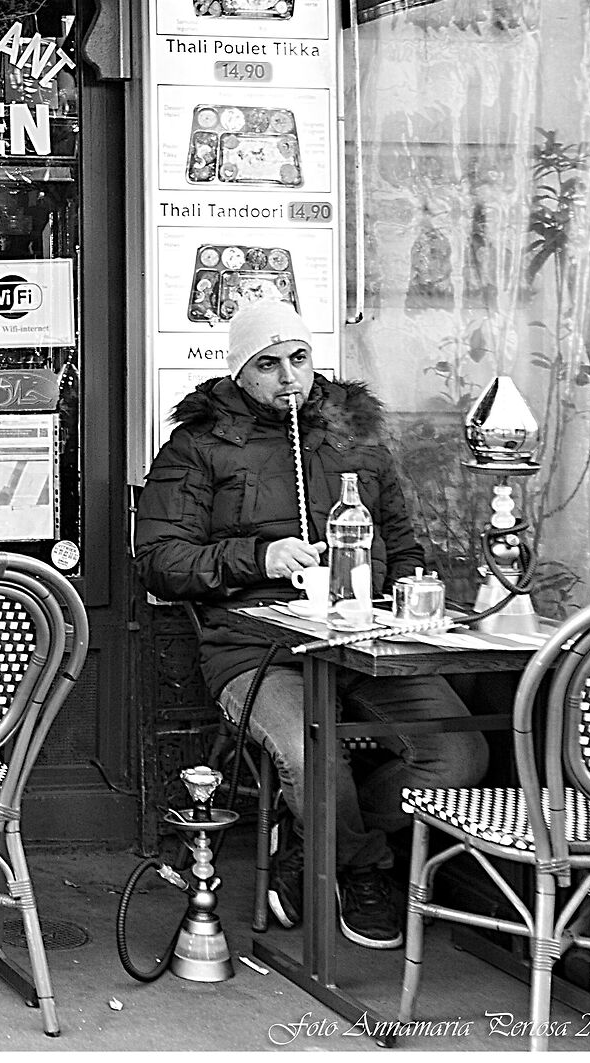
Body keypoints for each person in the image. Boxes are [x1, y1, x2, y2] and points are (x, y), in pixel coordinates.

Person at [135, 299, 486, 951]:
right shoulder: (199, 444)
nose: (288, 377)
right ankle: (363, 869)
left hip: (363, 639)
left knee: (460, 751)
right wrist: (258, 556)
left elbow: (403, 540)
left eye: (298, 358)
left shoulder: (354, 431)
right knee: (311, 754)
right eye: (268, 364)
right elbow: (159, 559)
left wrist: (410, 593)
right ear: (240, 372)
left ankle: (308, 836)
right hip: (253, 648)